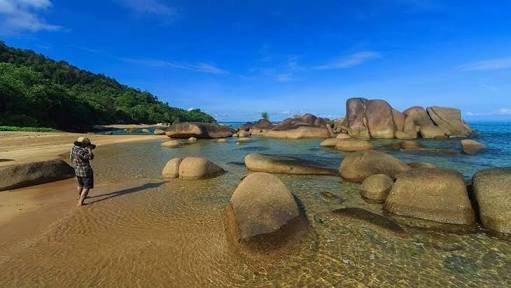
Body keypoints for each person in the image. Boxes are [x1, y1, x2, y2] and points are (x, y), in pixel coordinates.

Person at [70, 137, 95, 206]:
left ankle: (80, 196)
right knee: (87, 187)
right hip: (85, 171)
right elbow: (90, 157)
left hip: (77, 170)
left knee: (80, 185)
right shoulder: (82, 151)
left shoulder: (73, 148)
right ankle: (80, 202)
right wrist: (90, 150)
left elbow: (71, 158)